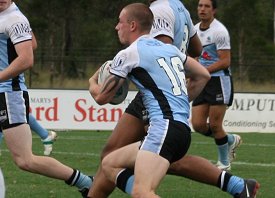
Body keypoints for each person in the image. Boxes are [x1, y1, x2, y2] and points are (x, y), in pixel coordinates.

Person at [89, 2, 260, 198]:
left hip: (161, 118)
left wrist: (92, 82)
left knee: (143, 185)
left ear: (133, 25)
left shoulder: (134, 46)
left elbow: (103, 97)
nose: (116, 26)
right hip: (178, 122)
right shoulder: (179, 13)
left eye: (120, 22)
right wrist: (178, 98)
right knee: (110, 161)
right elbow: (202, 70)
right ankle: (237, 186)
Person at [0, 1, 92, 196]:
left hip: (8, 94)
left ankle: (87, 183)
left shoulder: (14, 18)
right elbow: (31, 42)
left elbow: (27, 58)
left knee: (25, 160)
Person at [191, 0, 241, 171]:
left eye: (206, 6)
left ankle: (224, 162)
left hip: (219, 81)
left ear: (214, 10)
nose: (202, 9)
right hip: (203, 81)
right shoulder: (194, 30)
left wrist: (203, 71)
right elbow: (196, 56)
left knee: (214, 125)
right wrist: (194, 73)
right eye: (200, 6)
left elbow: (225, 61)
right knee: (197, 124)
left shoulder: (220, 31)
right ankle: (230, 140)